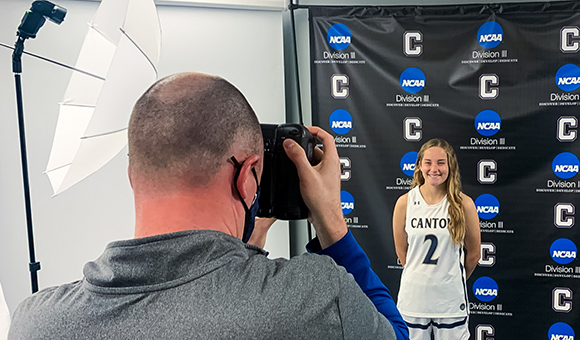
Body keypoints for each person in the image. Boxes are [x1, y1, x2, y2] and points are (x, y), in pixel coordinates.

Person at [9, 72, 408, 340]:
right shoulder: (316, 299)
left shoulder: (35, 322)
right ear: (246, 175)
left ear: (133, 174)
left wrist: (246, 246)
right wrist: (331, 221)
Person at [392, 138, 480, 340]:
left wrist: (450, 280)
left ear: (450, 166)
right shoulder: (405, 203)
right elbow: (401, 251)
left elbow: (474, 254)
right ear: (420, 166)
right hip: (413, 301)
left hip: (449, 303)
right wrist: (425, 278)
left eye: (441, 162)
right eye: (428, 162)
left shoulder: (463, 204)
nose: (434, 168)